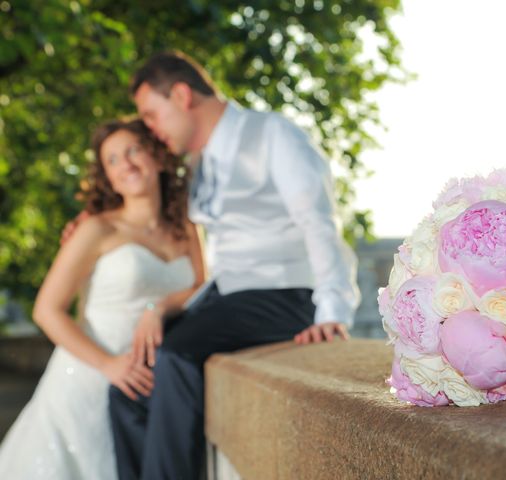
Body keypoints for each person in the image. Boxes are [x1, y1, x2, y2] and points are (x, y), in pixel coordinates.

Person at [107, 51, 360, 480]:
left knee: (179, 355)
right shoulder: (198, 161)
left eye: (152, 115)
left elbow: (318, 221)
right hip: (229, 298)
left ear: (182, 95)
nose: (151, 128)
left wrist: (332, 312)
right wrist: (98, 217)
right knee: (130, 383)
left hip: (286, 293)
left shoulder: (273, 134)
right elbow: (148, 202)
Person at [0, 118, 205, 480]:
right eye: (112, 160)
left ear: (157, 157)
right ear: (107, 177)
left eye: (133, 151)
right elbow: (47, 311)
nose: (125, 164)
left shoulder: (186, 226)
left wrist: (160, 307)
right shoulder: (95, 228)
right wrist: (109, 364)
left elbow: (201, 289)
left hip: (147, 387)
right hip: (87, 378)